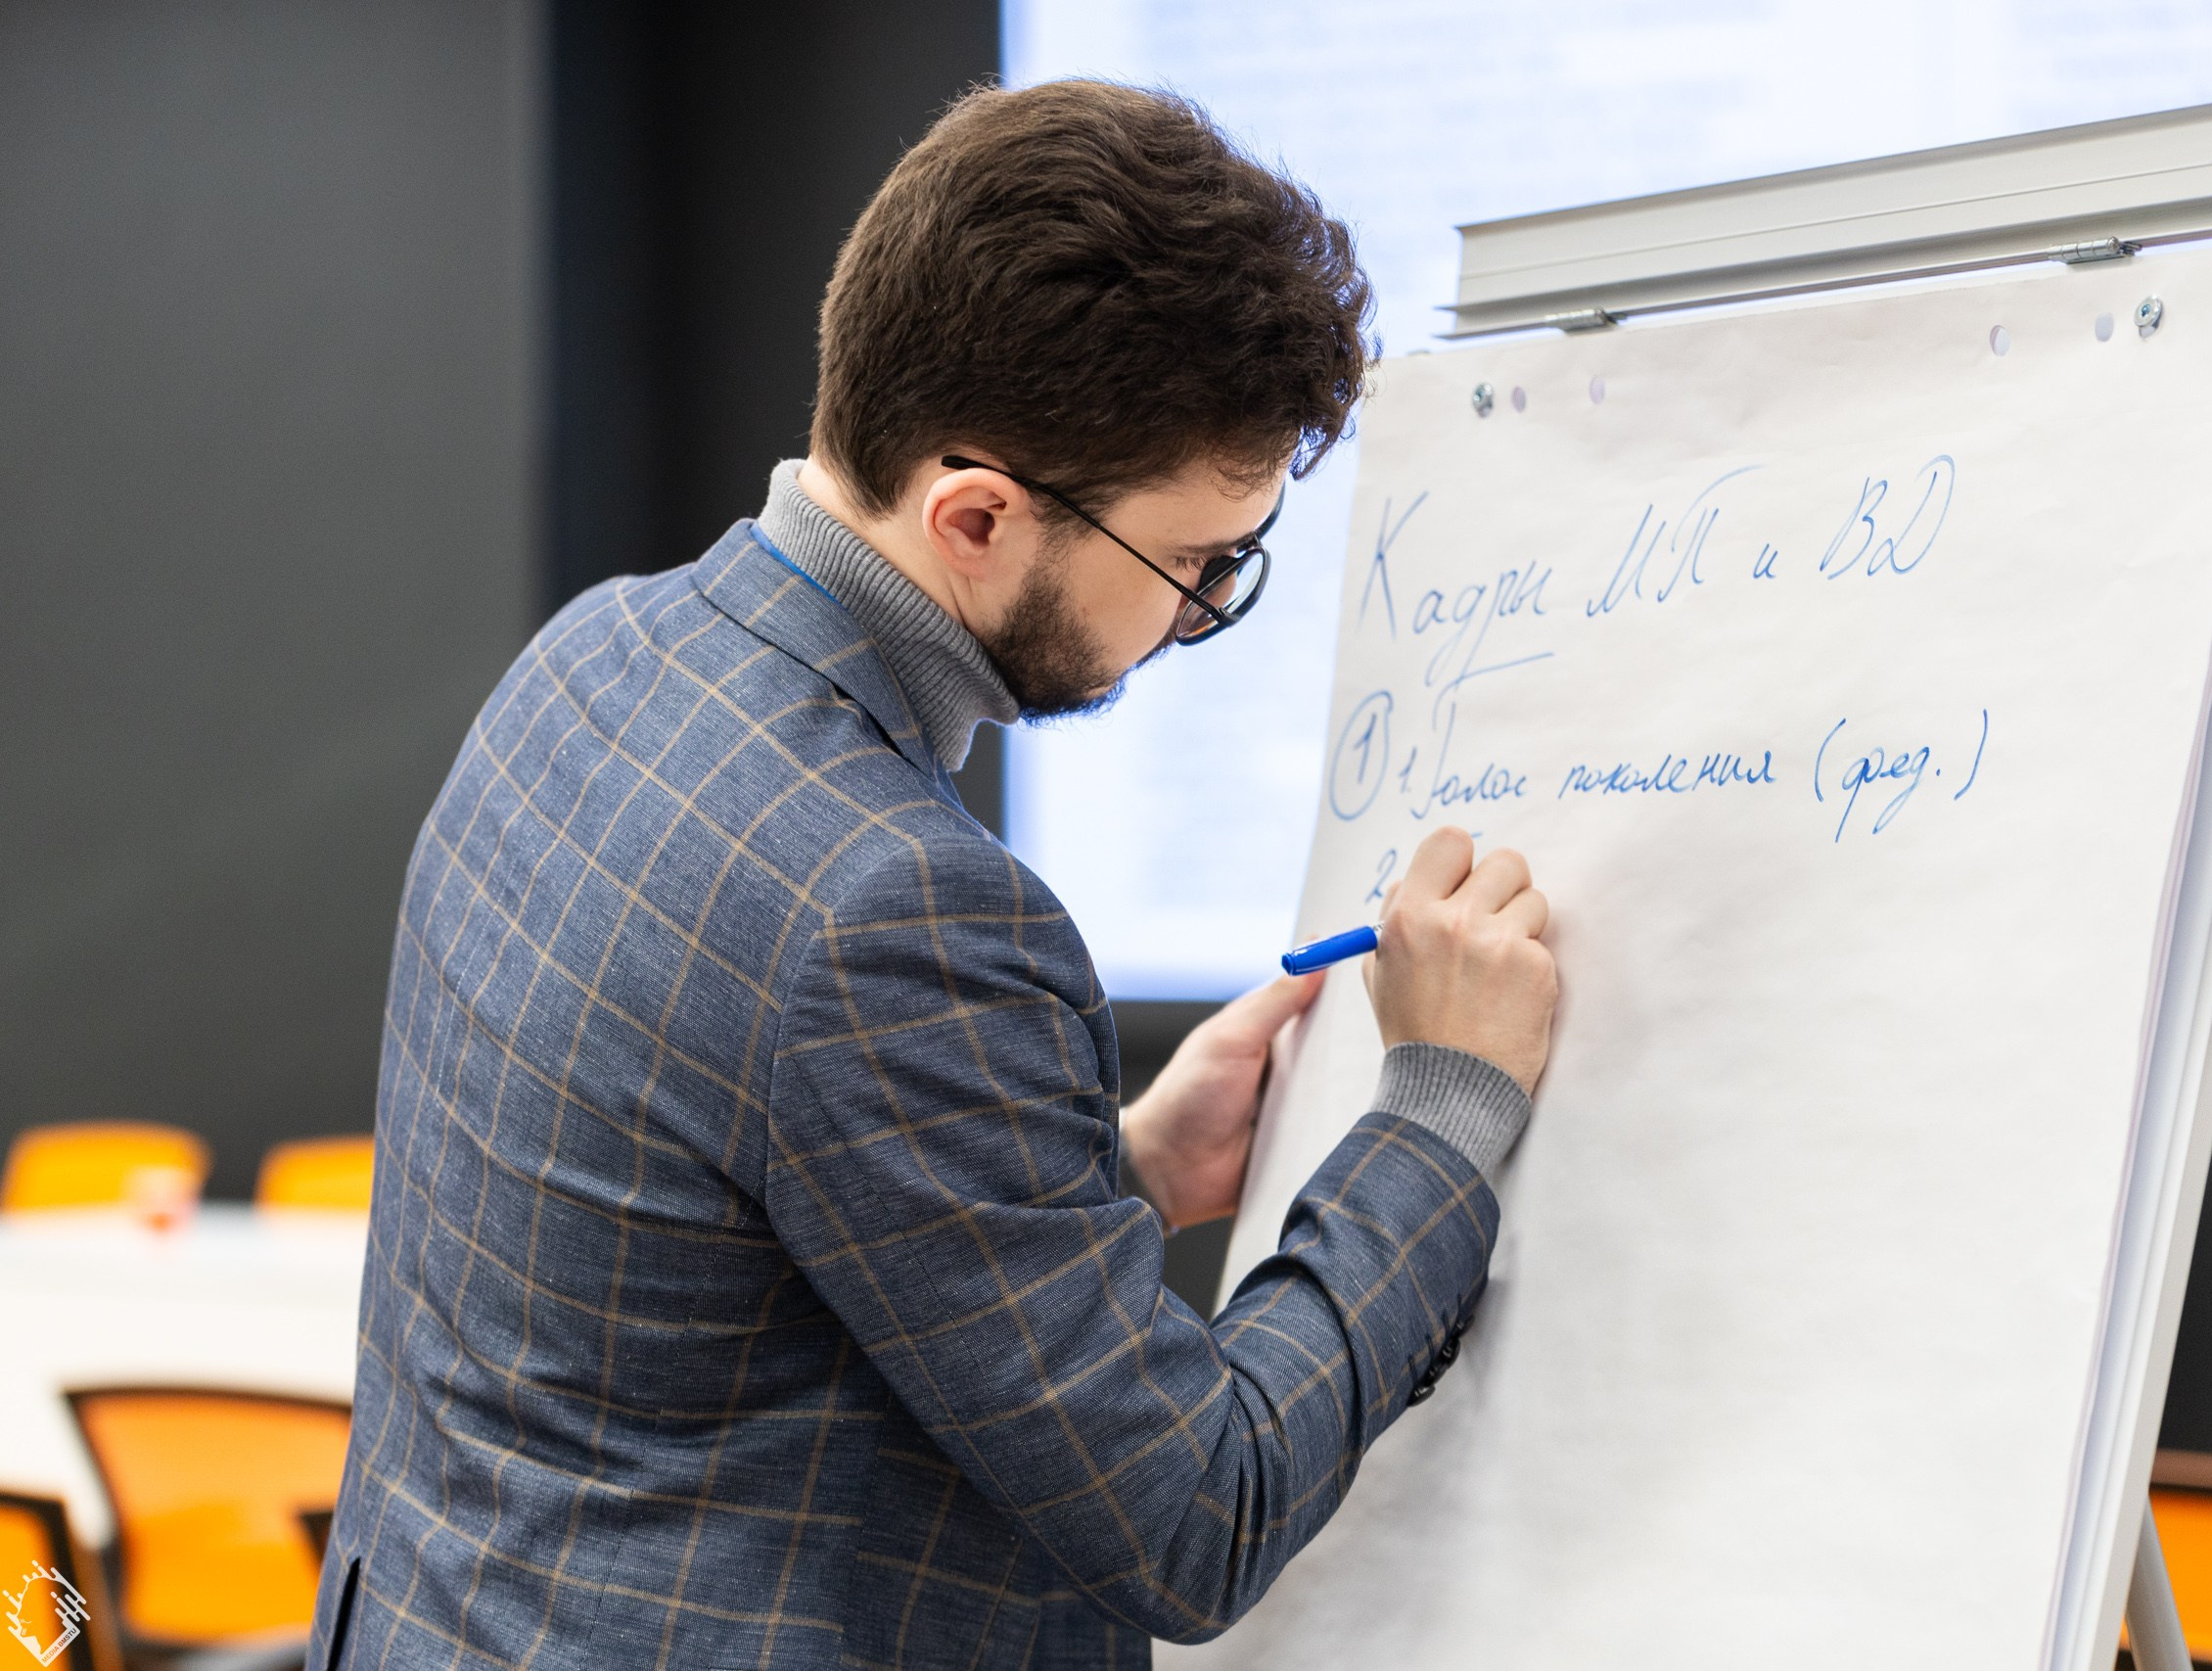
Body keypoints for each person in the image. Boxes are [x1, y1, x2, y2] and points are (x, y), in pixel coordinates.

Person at [313, 79, 1556, 1671]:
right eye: (1198, 566)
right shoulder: (896, 910)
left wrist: (1122, 1169)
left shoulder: (591, 655)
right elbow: (1199, 1514)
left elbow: (697, 1266)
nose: (1197, 615)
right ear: (976, 514)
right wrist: (1441, 1105)